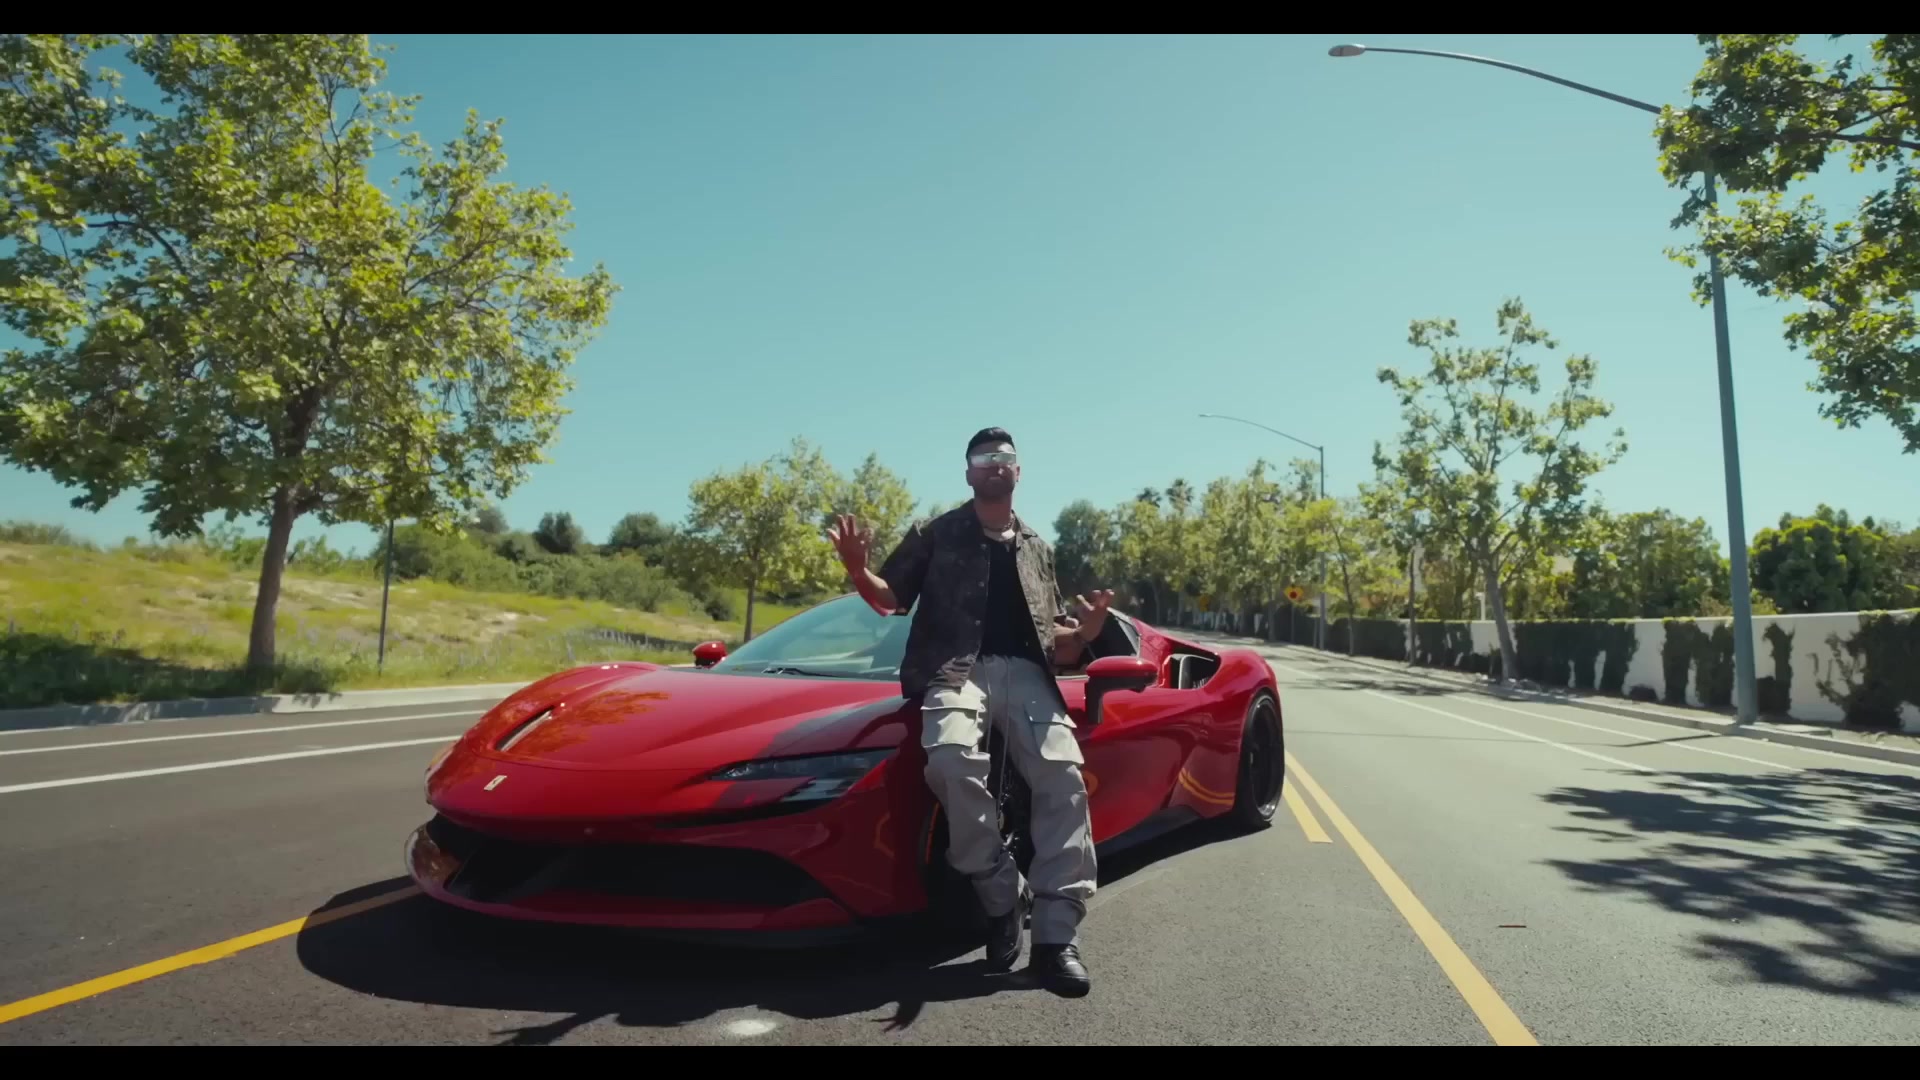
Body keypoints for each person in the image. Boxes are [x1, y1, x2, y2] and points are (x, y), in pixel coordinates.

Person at [827, 427, 1111, 998]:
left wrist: (1085, 634)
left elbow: (1055, 640)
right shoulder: (936, 533)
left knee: (1063, 779)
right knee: (952, 763)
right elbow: (891, 599)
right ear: (967, 473)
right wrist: (858, 570)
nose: (993, 464)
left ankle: (1056, 939)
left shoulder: (1037, 547)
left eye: (1004, 457)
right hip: (956, 669)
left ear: (1018, 471)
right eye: (982, 457)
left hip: (1026, 675)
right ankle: (1002, 893)